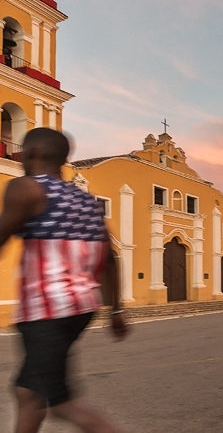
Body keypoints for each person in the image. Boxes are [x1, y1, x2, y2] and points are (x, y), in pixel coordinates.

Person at [0, 127, 129, 433]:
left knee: (61, 403)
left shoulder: (26, 188)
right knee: (29, 392)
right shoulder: (87, 202)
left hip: (46, 312)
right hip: (81, 309)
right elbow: (110, 258)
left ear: (28, 155)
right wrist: (117, 310)